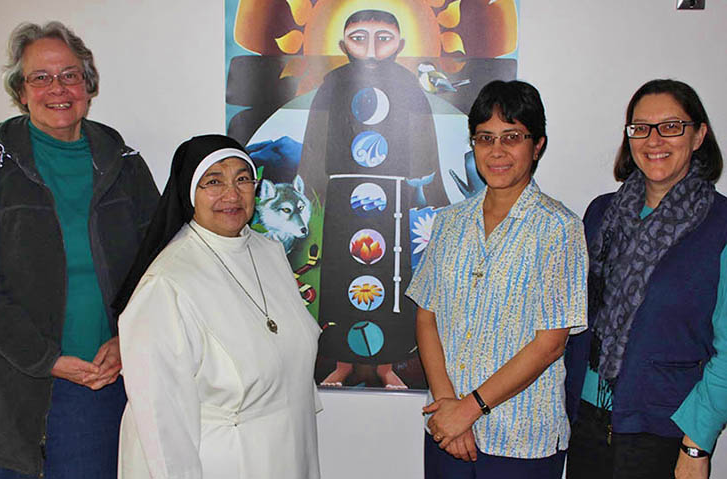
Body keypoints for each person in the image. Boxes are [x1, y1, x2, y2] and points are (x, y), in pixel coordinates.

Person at [0, 21, 159, 478]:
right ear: (21, 92)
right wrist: (44, 358)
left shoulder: (126, 166)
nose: (57, 89)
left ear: (88, 85)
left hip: (98, 384)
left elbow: (159, 268)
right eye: (40, 77)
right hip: (13, 388)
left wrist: (127, 340)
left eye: (69, 74)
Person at [406, 80, 588, 478]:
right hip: (446, 431)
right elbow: (426, 316)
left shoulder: (559, 228)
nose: (497, 151)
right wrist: (446, 406)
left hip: (522, 440)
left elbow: (550, 343)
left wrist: (468, 411)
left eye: (512, 137)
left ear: (537, 144)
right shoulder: (449, 223)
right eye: (485, 138)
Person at [114, 135, 322, 479]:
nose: (232, 194)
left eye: (243, 179)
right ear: (189, 192)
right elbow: (158, 417)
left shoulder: (269, 252)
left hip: (290, 449)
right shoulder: (165, 284)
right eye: (213, 181)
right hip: (223, 460)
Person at [566, 79, 727, 479]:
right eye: (640, 128)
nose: (654, 140)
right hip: (585, 420)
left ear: (699, 135)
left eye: (671, 126)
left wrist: (697, 444)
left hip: (664, 432)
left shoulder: (721, 225)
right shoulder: (601, 215)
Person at [299, 8, 449, 389]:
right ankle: (342, 361)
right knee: (339, 279)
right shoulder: (332, 85)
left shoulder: (409, 87)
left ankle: (387, 364)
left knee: (391, 281)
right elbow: (315, 147)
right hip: (342, 199)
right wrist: (309, 192)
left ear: (399, 44)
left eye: (382, 38)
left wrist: (430, 197)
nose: (370, 47)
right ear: (342, 43)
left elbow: (424, 151)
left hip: (394, 200)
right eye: (358, 37)